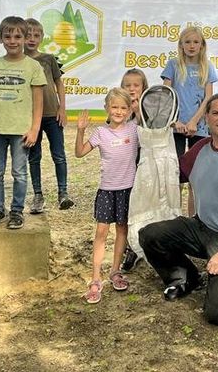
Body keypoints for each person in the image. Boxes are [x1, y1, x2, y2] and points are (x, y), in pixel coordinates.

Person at [139, 93, 218, 326]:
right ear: (206, 118)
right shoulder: (200, 148)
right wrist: (151, 145)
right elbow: (174, 175)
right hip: (201, 227)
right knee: (149, 235)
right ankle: (184, 277)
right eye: (216, 113)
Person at [0, 16, 45, 230]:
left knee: (19, 172)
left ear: (26, 39)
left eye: (18, 36)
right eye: (7, 36)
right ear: (0, 39)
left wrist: (35, 129)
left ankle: (17, 211)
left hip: (21, 131)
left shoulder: (33, 66)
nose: (13, 40)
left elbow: (38, 102)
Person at [75, 88, 139, 304]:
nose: (119, 111)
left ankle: (115, 271)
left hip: (127, 189)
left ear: (130, 110)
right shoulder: (101, 132)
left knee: (122, 230)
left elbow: (150, 128)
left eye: (123, 107)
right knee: (101, 232)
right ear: (107, 109)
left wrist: (139, 111)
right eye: (114, 107)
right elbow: (80, 152)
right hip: (106, 190)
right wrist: (80, 131)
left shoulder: (134, 129)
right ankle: (95, 278)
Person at [24, 17, 73, 213]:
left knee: (59, 155)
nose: (32, 39)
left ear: (42, 38)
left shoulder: (48, 59)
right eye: (28, 35)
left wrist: (62, 108)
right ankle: (38, 195)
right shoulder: (20, 61)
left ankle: (63, 193)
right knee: (34, 156)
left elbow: (59, 83)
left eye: (36, 35)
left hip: (53, 115)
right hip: (31, 118)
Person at [162, 26, 218, 160]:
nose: (191, 46)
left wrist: (194, 121)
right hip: (176, 126)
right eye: (187, 42)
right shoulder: (173, 65)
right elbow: (165, 95)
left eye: (196, 42)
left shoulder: (207, 66)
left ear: (202, 45)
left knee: (197, 166)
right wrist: (175, 122)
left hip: (198, 126)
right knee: (175, 166)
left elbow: (208, 98)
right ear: (181, 45)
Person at [119, 67, 149, 273]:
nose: (131, 89)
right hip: (124, 166)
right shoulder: (120, 109)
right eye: (127, 85)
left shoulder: (148, 108)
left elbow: (151, 130)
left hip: (144, 163)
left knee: (142, 205)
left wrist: (138, 111)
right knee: (127, 206)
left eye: (136, 85)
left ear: (143, 88)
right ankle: (128, 247)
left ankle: (143, 245)